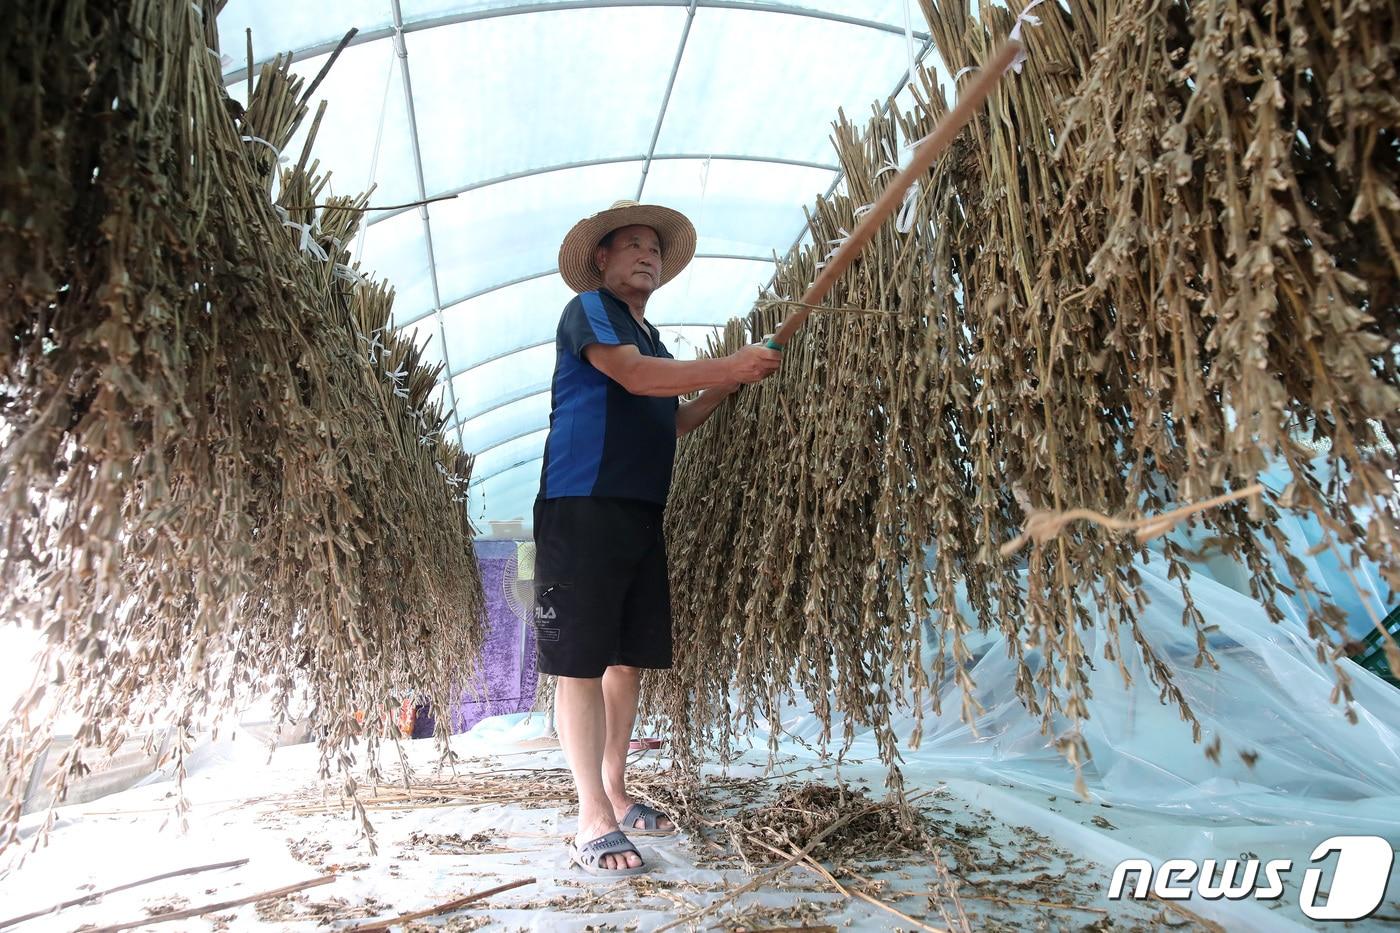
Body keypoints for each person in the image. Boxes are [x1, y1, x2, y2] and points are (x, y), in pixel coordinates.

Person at [535, 200, 782, 876]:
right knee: (582, 660)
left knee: (626, 658)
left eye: (655, 248)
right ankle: (591, 814)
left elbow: (668, 420)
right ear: (602, 259)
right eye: (633, 245)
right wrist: (726, 366)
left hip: (641, 508)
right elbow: (635, 380)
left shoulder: (656, 340)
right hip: (581, 502)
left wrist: (730, 386)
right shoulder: (590, 311)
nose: (648, 254)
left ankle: (615, 790)